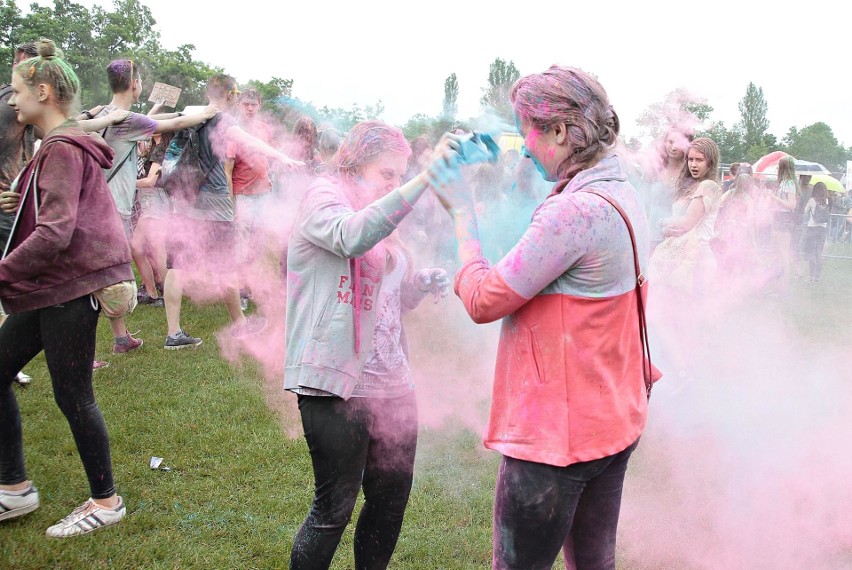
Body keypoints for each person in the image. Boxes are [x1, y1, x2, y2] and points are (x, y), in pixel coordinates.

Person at [428, 65, 657, 570]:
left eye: (528, 129)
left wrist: (461, 212)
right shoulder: (620, 191)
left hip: (557, 442)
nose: (525, 147)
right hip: (612, 423)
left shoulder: (573, 213)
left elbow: (485, 299)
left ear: (558, 130)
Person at [285, 120, 452, 570]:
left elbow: (388, 296)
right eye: (387, 174)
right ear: (354, 164)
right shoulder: (323, 199)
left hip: (395, 385)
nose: (394, 184)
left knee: (389, 503)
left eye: (401, 175)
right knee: (332, 512)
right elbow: (351, 236)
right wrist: (423, 181)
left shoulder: (377, 208)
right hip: (339, 385)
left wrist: (417, 283)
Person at [0, 39, 130, 536]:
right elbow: (55, 215)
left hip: (69, 289)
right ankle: (14, 489)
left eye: (17, 91)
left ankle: (106, 501)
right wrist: (21, 202)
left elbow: (56, 233)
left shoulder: (59, 148)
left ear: (45, 92)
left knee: (74, 396)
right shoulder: (55, 147)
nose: (12, 101)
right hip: (52, 289)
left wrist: (3, 272)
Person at [163, 74, 301, 349]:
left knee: (177, 266)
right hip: (213, 201)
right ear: (230, 95)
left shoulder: (192, 113)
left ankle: (173, 333)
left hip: (185, 196)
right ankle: (239, 324)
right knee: (225, 265)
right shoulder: (222, 119)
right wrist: (282, 157)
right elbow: (247, 141)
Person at [93, 59, 219, 355]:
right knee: (105, 282)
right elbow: (175, 123)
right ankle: (84, 348)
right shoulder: (126, 120)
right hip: (114, 212)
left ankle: (121, 337)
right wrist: (209, 111)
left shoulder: (104, 114)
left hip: (100, 205)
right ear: (134, 84)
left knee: (110, 277)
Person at [649, 137, 722, 297]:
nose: (693, 165)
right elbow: (675, 228)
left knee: (690, 315)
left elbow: (687, 223)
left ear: (710, 162)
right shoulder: (688, 187)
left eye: (699, 160)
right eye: (690, 159)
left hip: (696, 262)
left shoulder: (708, 186)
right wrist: (666, 230)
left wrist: (661, 222)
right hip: (678, 258)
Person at [763, 155, 799, 293]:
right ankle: (778, 287)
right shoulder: (785, 182)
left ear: (784, 167)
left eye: (779, 165)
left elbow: (791, 205)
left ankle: (782, 289)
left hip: (784, 221)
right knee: (778, 254)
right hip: (779, 219)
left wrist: (773, 197)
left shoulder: (789, 183)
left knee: (782, 255)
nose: (777, 168)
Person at [802, 182, 829, 281]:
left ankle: (811, 276)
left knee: (811, 252)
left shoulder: (812, 200)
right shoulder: (826, 200)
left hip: (812, 228)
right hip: (822, 229)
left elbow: (805, 211)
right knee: (819, 253)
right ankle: (817, 276)